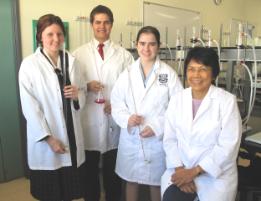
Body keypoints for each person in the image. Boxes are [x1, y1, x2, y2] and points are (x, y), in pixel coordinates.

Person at [111, 26, 183, 201]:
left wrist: (157, 126)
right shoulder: (126, 74)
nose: (146, 48)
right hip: (132, 136)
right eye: (142, 43)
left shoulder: (168, 74)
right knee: (131, 180)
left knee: (156, 182)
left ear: (158, 46)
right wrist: (128, 118)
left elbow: (178, 108)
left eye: (151, 44)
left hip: (156, 140)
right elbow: (116, 103)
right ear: (136, 45)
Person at [19, 14, 86, 201]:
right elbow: (30, 108)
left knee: (69, 192)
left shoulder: (72, 61)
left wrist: (77, 95)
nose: (56, 39)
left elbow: (82, 92)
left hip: (71, 136)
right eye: (50, 34)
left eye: (59, 34)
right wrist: (49, 138)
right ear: (40, 36)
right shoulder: (29, 65)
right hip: (48, 138)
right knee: (50, 193)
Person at [161, 47, 242, 201]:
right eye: (191, 69)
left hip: (214, 177)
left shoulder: (227, 101)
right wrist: (181, 172)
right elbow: (169, 139)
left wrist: (194, 172)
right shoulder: (177, 99)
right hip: (180, 170)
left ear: (213, 73)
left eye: (202, 69)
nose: (196, 75)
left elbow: (228, 146)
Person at [73, 5, 134, 201]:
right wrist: (85, 85)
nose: (102, 26)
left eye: (106, 22)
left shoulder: (124, 56)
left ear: (112, 25)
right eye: (98, 22)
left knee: (112, 175)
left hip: (113, 122)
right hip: (88, 120)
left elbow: (132, 90)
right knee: (89, 174)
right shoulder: (77, 54)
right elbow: (71, 88)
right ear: (92, 24)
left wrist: (118, 105)